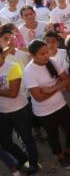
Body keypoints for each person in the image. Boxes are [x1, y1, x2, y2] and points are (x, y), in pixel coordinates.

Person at [23, 40, 70, 170]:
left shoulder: (52, 62)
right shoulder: (29, 72)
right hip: (44, 112)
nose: (46, 55)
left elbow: (68, 79)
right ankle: (61, 157)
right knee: (53, 135)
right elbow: (38, 98)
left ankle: (69, 151)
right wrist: (59, 86)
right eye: (42, 54)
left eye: (47, 52)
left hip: (61, 105)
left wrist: (51, 89)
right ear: (32, 56)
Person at [0, 46, 39, 175]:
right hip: (2, 112)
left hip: (19, 109)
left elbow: (13, 93)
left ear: (2, 54)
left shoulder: (12, 67)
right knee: (5, 142)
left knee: (27, 138)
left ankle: (33, 164)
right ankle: (22, 158)